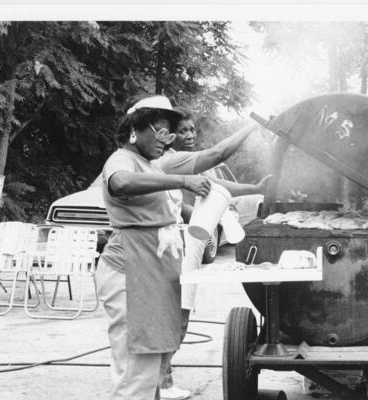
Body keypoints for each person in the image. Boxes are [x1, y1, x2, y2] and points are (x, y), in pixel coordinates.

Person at [94, 94, 213, 400]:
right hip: (131, 273)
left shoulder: (151, 165)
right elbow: (120, 183)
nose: (166, 139)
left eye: (169, 133)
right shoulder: (122, 159)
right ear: (136, 129)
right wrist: (181, 181)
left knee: (152, 364)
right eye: (160, 131)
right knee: (136, 369)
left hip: (152, 274)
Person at [152, 107, 270, 399]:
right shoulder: (169, 160)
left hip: (179, 247)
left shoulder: (179, 165)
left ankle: (162, 379)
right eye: (183, 131)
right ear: (168, 136)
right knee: (174, 316)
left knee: (180, 315)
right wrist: (251, 127)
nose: (190, 135)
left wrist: (253, 188)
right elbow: (218, 153)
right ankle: (159, 382)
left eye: (193, 130)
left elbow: (216, 186)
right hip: (165, 250)